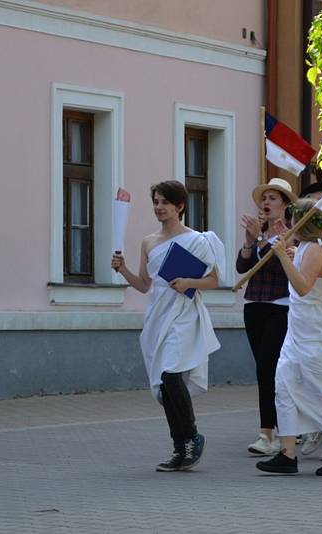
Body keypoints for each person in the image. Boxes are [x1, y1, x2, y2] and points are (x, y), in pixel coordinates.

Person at [111, 180, 224, 471]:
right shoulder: (149, 242)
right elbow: (144, 285)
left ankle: (192, 438)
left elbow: (214, 280)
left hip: (184, 314)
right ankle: (180, 446)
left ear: (180, 206)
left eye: (165, 202)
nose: (159, 207)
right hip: (158, 315)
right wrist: (122, 269)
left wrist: (189, 282)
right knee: (164, 383)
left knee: (172, 376)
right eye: (156, 202)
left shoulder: (197, 241)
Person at [255, 199, 322, 475]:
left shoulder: (315, 250)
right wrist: (290, 257)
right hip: (301, 334)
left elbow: (302, 287)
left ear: (304, 223)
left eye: (292, 219)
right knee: (284, 386)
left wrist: (281, 257)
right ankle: (287, 454)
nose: (288, 224)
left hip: (320, 336)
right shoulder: (305, 249)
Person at [236, 177, 296, 456]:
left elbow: (277, 268)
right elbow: (242, 266)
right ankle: (270, 431)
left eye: (273, 198)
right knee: (263, 369)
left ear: (285, 204)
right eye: (264, 198)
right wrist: (249, 242)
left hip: (280, 306)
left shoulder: (291, 234)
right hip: (254, 303)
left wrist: (259, 238)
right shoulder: (260, 233)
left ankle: (269, 432)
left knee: (269, 369)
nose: (266, 203)